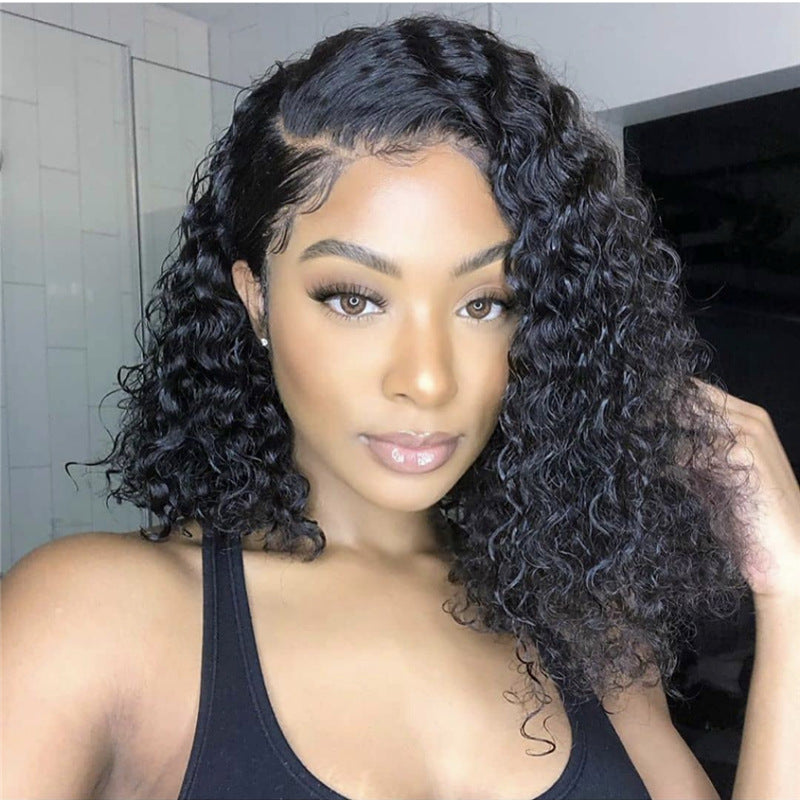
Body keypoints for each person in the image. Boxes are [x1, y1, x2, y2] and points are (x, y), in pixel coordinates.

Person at [2, 14, 799, 800]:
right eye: (353, 299)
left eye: (486, 303)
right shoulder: (94, 619)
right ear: (256, 300)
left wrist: (788, 589)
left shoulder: (581, 622)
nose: (427, 379)